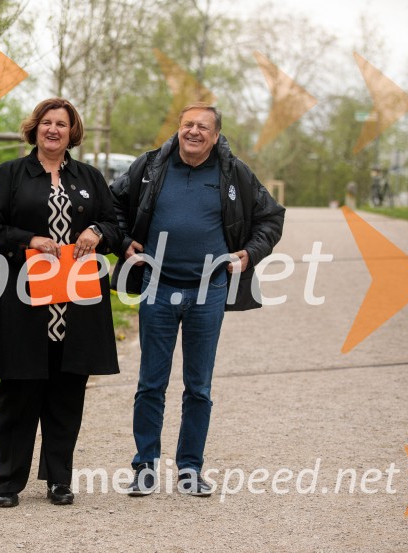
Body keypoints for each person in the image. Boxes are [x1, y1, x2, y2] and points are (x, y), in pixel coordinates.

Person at [110, 102, 285, 496]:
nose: (194, 132)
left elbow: (271, 217)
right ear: (178, 128)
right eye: (188, 124)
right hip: (157, 285)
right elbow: (112, 205)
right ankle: (144, 468)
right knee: (151, 383)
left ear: (216, 135)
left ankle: (190, 469)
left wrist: (250, 253)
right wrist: (123, 244)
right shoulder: (150, 166)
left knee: (198, 386)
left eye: (203, 127)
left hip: (209, 291)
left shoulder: (233, 172)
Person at [0, 98, 121, 508]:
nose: (53, 129)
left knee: (67, 392)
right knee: (20, 391)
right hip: (24, 300)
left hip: (75, 302)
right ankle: (6, 482)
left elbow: (114, 223)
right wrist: (28, 240)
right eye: (47, 122)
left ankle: (59, 479)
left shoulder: (90, 177)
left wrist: (96, 230)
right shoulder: (10, 174)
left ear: (73, 132)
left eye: (62, 124)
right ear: (35, 128)